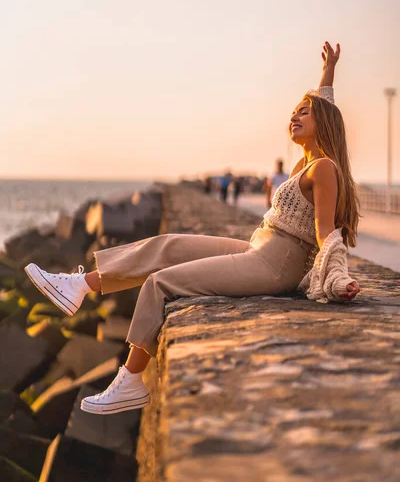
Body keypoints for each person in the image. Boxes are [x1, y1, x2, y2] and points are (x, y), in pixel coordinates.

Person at [24, 41, 361, 415]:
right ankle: (80, 286)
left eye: (304, 113)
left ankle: (131, 381)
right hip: (257, 248)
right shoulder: (308, 162)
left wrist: (336, 279)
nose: (294, 117)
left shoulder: (323, 169)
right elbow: (324, 104)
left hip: (273, 265)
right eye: (294, 111)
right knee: (167, 244)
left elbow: (326, 233)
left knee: (161, 282)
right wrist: (328, 72)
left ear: (323, 124)